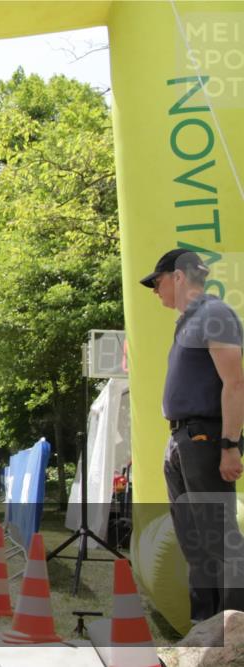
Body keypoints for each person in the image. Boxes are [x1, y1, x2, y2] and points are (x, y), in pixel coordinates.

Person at [141, 248, 244, 622]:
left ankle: (236, 632)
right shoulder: (187, 321)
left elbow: (236, 384)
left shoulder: (215, 314)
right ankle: (205, 628)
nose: (155, 290)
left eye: (158, 281)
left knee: (219, 538)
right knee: (193, 541)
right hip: (183, 438)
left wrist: (230, 445)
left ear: (179, 276)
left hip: (205, 437)